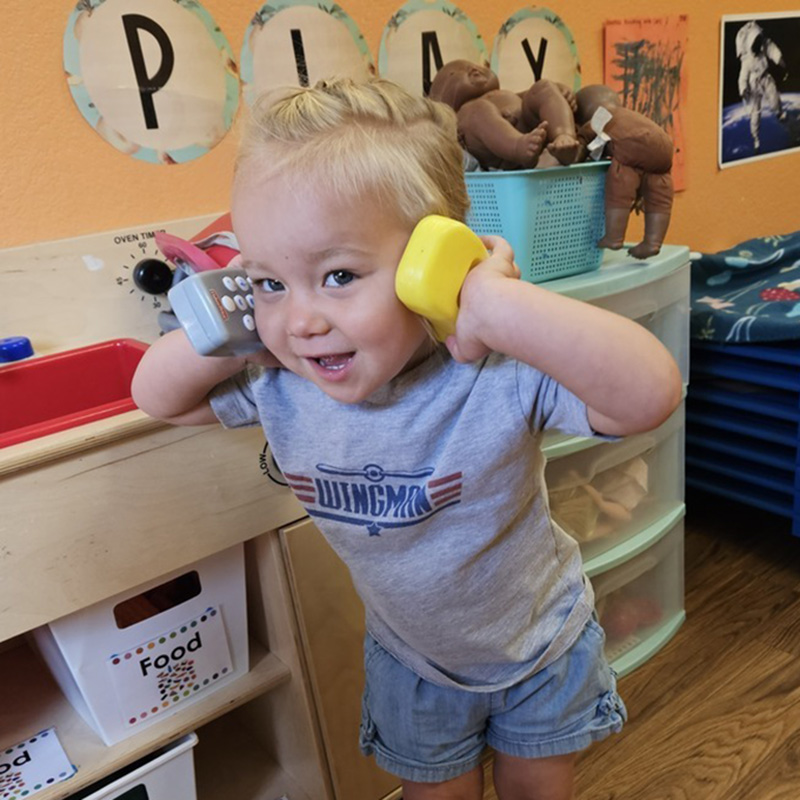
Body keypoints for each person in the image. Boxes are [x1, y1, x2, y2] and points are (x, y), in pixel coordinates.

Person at [132, 77, 683, 800]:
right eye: (270, 282)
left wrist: (494, 301)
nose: (300, 322)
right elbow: (156, 399)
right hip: (412, 660)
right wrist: (230, 323)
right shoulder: (282, 382)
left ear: (438, 263)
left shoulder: (496, 372)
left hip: (540, 647)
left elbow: (650, 394)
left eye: (336, 275)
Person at [574, 84, 674, 260]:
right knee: (660, 195)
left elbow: (580, 148)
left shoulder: (600, 116)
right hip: (664, 146)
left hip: (633, 148)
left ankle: (614, 237)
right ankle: (653, 243)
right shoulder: (629, 116)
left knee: (620, 184)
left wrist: (576, 144)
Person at [428, 60, 581, 169]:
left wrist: (558, 91)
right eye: (454, 73)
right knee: (477, 110)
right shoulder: (464, 114)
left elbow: (534, 97)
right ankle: (518, 146)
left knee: (542, 86)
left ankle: (564, 137)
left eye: (474, 65)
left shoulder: (503, 94)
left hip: (534, 132)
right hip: (499, 151)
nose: (472, 69)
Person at [735, 20, 788, 152]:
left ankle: (779, 112)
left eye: (759, 40)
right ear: (750, 44)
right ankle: (756, 137)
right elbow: (742, 77)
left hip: (765, 78)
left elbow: (771, 48)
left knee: (774, 96)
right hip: (754, 85)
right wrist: (743, 89)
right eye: (756, 43)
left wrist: (779, 58)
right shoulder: (746, 60)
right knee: (755, 113)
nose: (759, 45)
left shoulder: (763, 45)